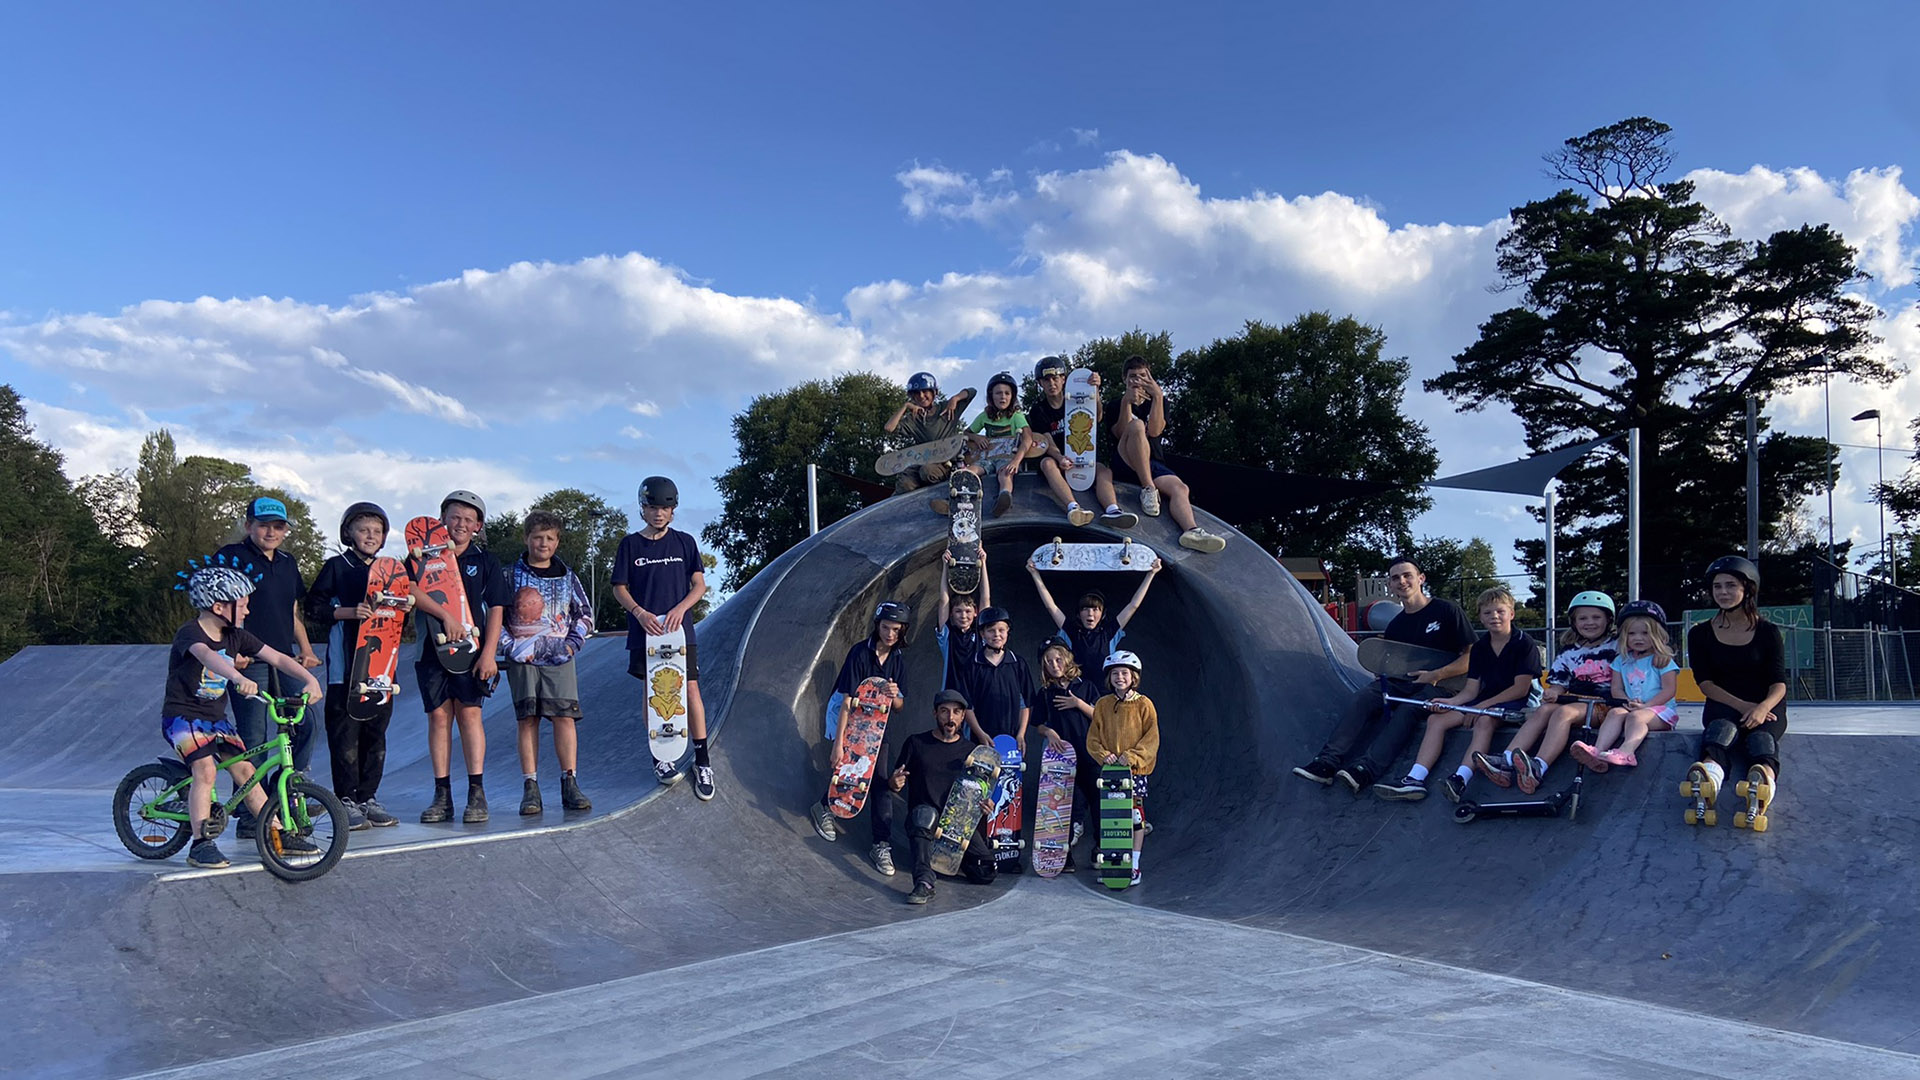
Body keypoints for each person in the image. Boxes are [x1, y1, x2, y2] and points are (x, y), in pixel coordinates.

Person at [163, 559, 324, 869]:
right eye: (243, 605)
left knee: (247, 773)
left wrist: (309, 679)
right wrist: (237, 677)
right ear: (220, 606)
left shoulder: (238, 636)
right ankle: (200, 844)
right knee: (206, 771)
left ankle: (274, 832)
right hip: (182, 717)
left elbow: (276, 656)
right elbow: (208, 656)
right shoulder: (191, 632)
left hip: (215, 719)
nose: (248, 611)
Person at [1293, 557, 1474, 793]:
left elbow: (1472, 656)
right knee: (1365, 697)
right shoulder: (1396, 625)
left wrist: (1436, 674)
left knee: (1408, 709)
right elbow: (1392, 661)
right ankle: (1327, 762)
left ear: (1421, 579)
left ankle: (1367, 770)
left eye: (1407, 575)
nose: (1402, 581)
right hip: (1403, 682)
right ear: (1390, 585)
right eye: (1395, 578)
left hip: (1443, 685)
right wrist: (1384, 674)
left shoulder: (1447, 611)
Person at [1375, 586, 1542, 803]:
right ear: (1480, 617)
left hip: (1515, 703)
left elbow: (1520, 689)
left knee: (1483, 722)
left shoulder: (1524, 644)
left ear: (1511, 613)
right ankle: (1415, 779)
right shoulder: (1481, 647)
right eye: (1488, 612)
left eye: (1500, 611)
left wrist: (1481, 707)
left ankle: (1460, 779)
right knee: (1436, 719)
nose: (1494, 617)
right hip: (1483, 701)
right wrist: (1450, 702)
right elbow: (1471, 690)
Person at [216, 496, 322, 836]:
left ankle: (286, 793)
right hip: (247, 660)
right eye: (263, 525)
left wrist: (305, 649)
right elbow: (216, 608)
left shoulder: (288, 563)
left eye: (278, 526)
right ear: (249, 526)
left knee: (304, 723)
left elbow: (291, 613)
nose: (271, 532)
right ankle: (252, 817)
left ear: (286, 531)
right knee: (255, 737)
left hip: (283, 657)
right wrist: (231, 648)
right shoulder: (231, 557)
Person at [408, 490, 510, 824]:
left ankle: (476, 794)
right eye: (454, 517)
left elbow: (497, 609)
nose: (461, 524)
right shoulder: (421, 556)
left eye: (468, 519)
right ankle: (442, 796)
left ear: (478, 526)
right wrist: (444, 615)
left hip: (472, 653)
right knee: (439, 718)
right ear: (442, 520)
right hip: (431, 651)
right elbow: (409, 589)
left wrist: (490, 654)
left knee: (469, 716)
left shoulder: (485, 561)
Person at [613, 476, 717, 799]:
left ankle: (702, 761)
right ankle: (662, 758)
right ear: (642, 509)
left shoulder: (684, 542)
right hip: (646, 634)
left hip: (679, 631)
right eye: (653, 507)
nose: (659, 513)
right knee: (652, 690)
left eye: (665, 508)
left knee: (690, 689)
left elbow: (698, 585)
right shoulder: (630, 545)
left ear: (673, 510)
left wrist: (681, 609)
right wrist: (640, 613)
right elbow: (619, 588)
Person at [304, 502, 401, 829]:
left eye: (377, 531)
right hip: (346, 666)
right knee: (345, 731)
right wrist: (348, 612)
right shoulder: (337, 566)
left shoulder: (391, 570)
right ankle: (345, 797)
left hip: (382, 664)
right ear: (349, 533)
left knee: (376, 731)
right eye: (363, 530)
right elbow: (312, 608)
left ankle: (367, 796)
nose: (370, 536)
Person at [499, 510, 596, 816]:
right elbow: (495, 616)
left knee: (564, 717)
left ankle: (570, 782)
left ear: (557, 541)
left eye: (550, 538)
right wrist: (511, 647)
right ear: (527, 538)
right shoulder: (509, 576)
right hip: (523, 657)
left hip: (559, 657)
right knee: (528, 719)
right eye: (537, 537)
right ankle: (530, 787)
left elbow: (585, 614)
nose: (543, 543)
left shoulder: (568, 577)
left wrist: (571, 645)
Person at [1474, 590, 1617, 795]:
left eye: (1596, 617)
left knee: (1562, 713)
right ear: (1574, 622)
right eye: (1583, 618)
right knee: (1544, 710)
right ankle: (1506, 760)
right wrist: (1553, 692)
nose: (1589, 623)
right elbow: (1559, 682)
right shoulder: (1569, 651)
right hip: (1575, 702)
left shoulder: (1618, 646)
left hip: (1603, 705)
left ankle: (1539, 766)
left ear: (1608, 619)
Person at [809, 600, 910, 874]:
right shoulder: (859, 653)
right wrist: (839, 744)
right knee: (846, 770)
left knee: (879, 782)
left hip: (878, 731)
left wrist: (893, 695)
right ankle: (824, 808)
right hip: (852, 724)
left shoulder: (898, 659)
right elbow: (846, 701)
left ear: (902, 632)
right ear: (877, 626)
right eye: (886, 628)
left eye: (896, 630)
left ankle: (881, 844)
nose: (890, 634)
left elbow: (900, 705)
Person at [1683, 557, 1787, 817]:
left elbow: (1779, 683)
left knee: (1761, 738)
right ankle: (1709, 781)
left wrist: (1761, 708)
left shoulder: (1768, 632)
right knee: (1722, 730)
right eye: (1717, 587)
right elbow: (1704, 682)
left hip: (1766, 703)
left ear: (1747, 589)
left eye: (1730, 586)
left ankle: (1764, 785)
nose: (1723, 593)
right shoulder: (1700, 634)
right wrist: (1743, 706)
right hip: (1724, 701)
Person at [1108, 354, 1227, 553]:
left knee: (1180, 487)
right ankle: (1148, 489)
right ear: (1125, 379)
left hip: (1152, 462)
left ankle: (1191, 530)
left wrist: (1158, 397)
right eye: (1133, 376)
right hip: (1126, 462)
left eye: (1143, 376)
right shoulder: (1115, 404)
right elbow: (1120, 433)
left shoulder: (1160, 401)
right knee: (1136, 425)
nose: (1138, 380)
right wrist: (1126, 403)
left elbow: (1155, 430)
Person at [891, 689, 998, 904]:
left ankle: (950, 862)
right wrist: (894, 783)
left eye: (956, 712)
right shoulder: (916, 743)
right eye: (944, 712)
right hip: (926, 821)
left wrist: (987, 806)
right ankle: (924, 881)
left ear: (962, 716)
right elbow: (894, 784)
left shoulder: (973, 752)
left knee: (986, 872)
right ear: (935, 714)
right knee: (923, 814)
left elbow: (980, 794)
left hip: (955, 826)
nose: (950, 718)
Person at [1024, 355, 1137, 529]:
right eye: (1046, 380)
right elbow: (1047, 441)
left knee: (1104, 471)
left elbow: (1097, 417)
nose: (1051, 384)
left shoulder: (1079, 397)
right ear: (1040, 383)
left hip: (1083, 455)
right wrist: (1060, 457)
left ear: (1063, 379)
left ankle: (1112, 510)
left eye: (1055, 379)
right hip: (1058, 459)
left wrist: (1095, 392)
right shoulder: (1038, 409)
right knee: (1046, 463)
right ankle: (1073, 507)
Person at [1572, 600, 1678, 771]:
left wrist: (1645, 706)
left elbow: (1669, 690)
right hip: (1634, 707)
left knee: (1636, 717)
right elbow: (1616, 688)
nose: (1638, 638)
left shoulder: (1663, 659)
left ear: (1658, 634)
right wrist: (1627, 701)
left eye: (1645, 633)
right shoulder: (1621, 661)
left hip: (1661, 711)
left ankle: (1627, 751)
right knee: (1615, 713)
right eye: (1631, 634)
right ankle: (1597, 751)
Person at [1086, 650, 1159, 888]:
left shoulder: (1144, 704)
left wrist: (1132, 756)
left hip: (1134, 772)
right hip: (1110, 773)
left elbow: (1151, 738)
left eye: (1124, 673)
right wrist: (1102, 755)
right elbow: (1093, 738)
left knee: (1134, 817)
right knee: (1111, 817)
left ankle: (1134, 864)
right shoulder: (1103, 704)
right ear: (1110, 677)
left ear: (1133, 677)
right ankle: (1113, 865)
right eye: (1115, 673)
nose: (1120, 677)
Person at [1030, 640, 1101, 870]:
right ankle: (1063, 855)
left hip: (1089, 754)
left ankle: (1100, 848)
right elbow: (1037, 723)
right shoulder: (1045, 693)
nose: (1054, 664)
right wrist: (1048, 732)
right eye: (1048, 662)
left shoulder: (1085, 686)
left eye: (1058, 659)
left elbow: (1100, 717)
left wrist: (1078, 703)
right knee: (1063, 807)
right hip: (1062, 758)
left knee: (1097, 802)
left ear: (1067, 659)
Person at [1028, 553, 1162, 676]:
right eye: (1085, 609)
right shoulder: (1072, 631)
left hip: (1104, 694)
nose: (1090, 614)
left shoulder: (1109, 632)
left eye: (1095, 609)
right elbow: (1051, 607)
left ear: (1102, 614)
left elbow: (1133, 605)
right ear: (1079, 614)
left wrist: (1151, 574)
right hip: (1078, 691)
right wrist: (1034, 574)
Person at [883, 371, 977, 510]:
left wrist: (955, 399)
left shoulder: (946, 409)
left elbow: (972, 391)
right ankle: (891, 509)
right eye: (916, 393)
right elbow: (889, 428)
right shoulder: (913, 419)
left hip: (945, 462)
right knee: (906, 483)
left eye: (925, 391)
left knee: (927, 472)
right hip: (921, 459)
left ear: (934, 393)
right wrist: (906, 407)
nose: (921, 396)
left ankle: (948, 500)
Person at [950, 606, 1031, 747]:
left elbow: (1025, 703)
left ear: (1008, 632)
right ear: (982, 633)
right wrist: (980, 734)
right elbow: (967, 706)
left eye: (1001, 630)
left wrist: (1021, 734)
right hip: (980, 740)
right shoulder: (972, 665)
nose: (997, 635)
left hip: (1012, 741)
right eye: (991, 630)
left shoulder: (1018, 663)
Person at [965, 371, 1029, 518]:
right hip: (987, 457)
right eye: (998, 393)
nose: (1003, 397)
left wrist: (1016, 460)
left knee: (1005, 473)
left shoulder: (1016, 417)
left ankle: (1004, 497)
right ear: (991, 396)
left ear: (1012, 396)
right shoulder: (985, 416)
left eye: (1007, 393)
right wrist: (976, 437)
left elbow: (1028, 439)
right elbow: (965, 433)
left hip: (1006, 457)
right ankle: (955, 499)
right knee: (970, 471)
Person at [936, 542, 989, 690]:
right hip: (952, 696)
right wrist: (945, 566)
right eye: (958, 611)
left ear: (975, 612)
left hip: (977, 695)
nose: (963, 616)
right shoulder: (947, 635)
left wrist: (983, 564)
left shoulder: (981, 633)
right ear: (952, 613)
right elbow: (943, 601)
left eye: (967, 611)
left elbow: (985, 599)